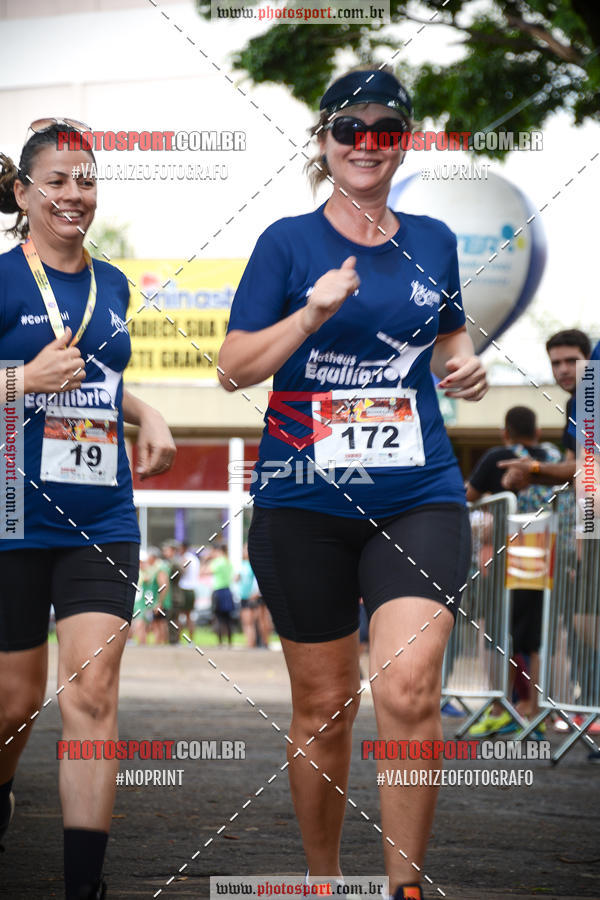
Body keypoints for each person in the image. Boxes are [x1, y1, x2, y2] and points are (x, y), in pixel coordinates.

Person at [218, 68, 487, 899]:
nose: (366, 145)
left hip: (418, 492)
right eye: (349, 130)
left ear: (405, 141)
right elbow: (233, 370)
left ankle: (404, 888)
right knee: (326, 707)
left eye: (385, 130)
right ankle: (327, 881)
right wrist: (309, 315)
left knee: (409, 687)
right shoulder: (286, 244)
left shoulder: (436, 240)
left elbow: (442, 344)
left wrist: (463, 367)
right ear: (325, 142)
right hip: (303, 500)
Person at [0, 122, 176, 899]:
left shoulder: (115, 284)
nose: (75, 195)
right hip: (10, 514)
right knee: (10, 701)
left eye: (87, 180)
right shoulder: (4, 280)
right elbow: (39, 376)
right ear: (24, 193)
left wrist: (150, 414)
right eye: (59, 181)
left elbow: (95, 378)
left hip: (101, 517)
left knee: (93, 692)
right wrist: (19, 382)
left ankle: (83, 887)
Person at [465, 406, 561, 734]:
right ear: (537, 432)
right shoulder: (553, 457)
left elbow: (469, 497)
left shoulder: (498, 456)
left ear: (506, 432)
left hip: (511, 557)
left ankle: (500, 708)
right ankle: (537, 712)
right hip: (547, 555)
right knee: (538, 637)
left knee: (497, 633)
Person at [498, 329, 590, 491]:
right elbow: (572, 470)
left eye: (571, 361)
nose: (563, 369)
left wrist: (534, 467)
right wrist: (527, 475)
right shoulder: (573, 405)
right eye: (556, 363)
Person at [205, 544, 235, 646]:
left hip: (218, 591)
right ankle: (230, 641)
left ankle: (220, 641)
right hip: (227, 590)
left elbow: (205, 571)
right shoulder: (228, 561)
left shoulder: (217, 562)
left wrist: (206, 559)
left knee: (218, 617)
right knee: (228, 618)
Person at [177, 541, 200, 642]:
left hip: (184, 589)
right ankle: (191, 639)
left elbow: (182, 571)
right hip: (192, 589)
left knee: (179, 615)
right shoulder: (195, 559)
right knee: (189, 616)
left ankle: (178, 639)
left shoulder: (185, 558)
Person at [237, 544, 260, 647]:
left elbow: (256, 581)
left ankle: (251, 644)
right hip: (243, 596)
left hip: (250, 596)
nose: (243, 552)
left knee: (249, 623)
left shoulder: (253, 565)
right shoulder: (243, 564)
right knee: (246, 623)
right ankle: (250, 643)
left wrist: (255, 593)